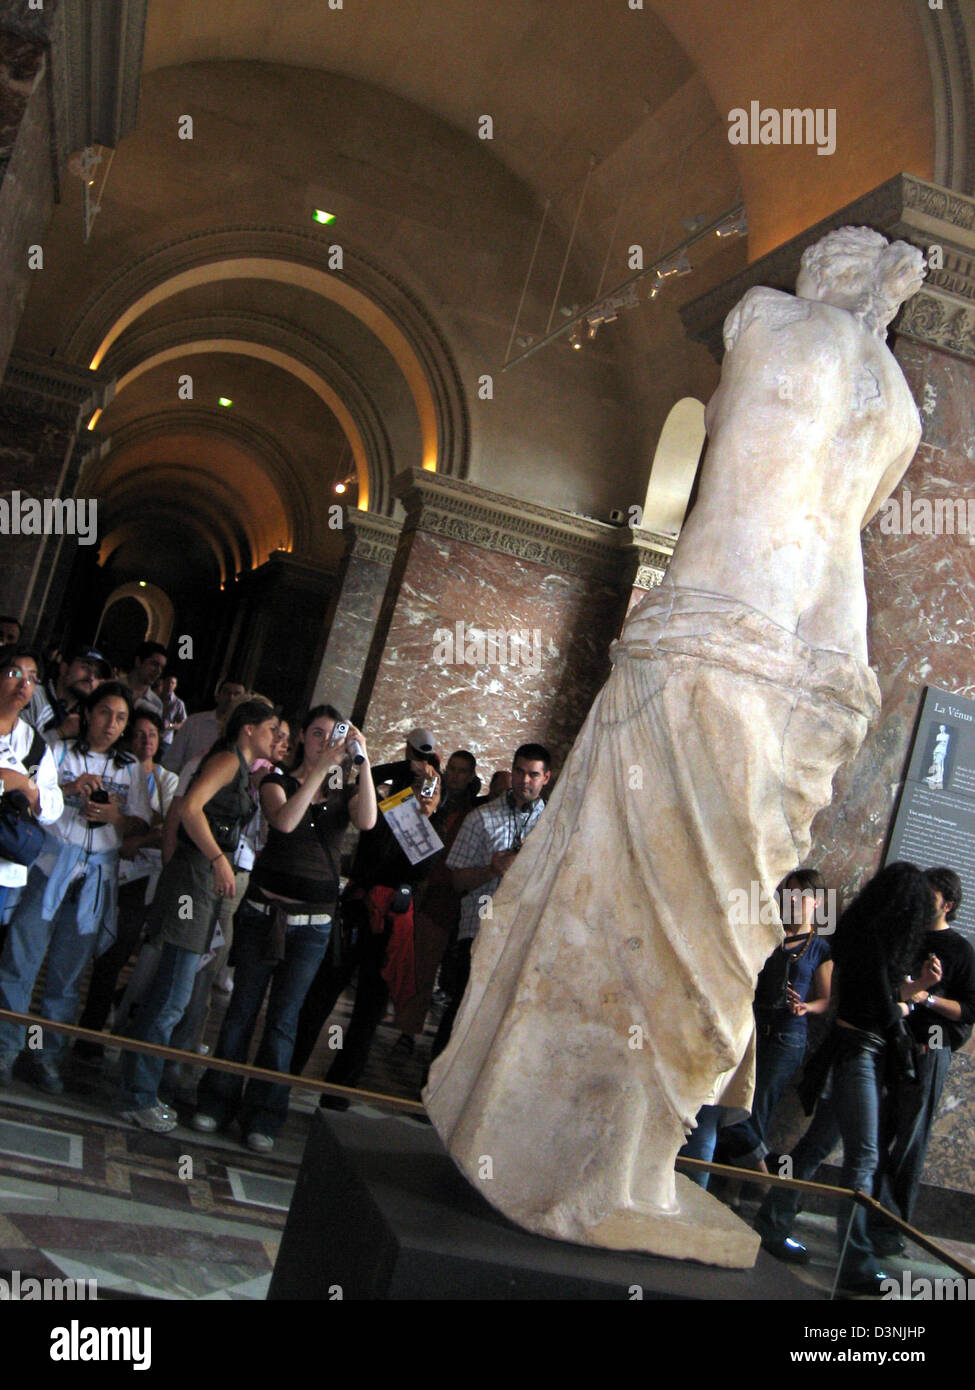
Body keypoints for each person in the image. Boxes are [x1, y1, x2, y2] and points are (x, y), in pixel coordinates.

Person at [423, 228, 926, 1258]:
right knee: (715, 929)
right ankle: (626, 1161)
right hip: (821, 670)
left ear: (820, 271)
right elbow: (849, 510)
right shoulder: (902, 405)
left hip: (708, 635)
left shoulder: (768, 320)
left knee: (615, 891)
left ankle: (556, 1146)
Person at [193, 707, 376, 1149]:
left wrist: (363, 759)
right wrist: (319, 771)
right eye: (315, 734)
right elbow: (287, 821)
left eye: (332, 735)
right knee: (242, 1010)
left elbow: (368, 820)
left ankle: (264, 1115)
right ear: (301, 740)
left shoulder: (343, 790)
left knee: (284, 1020)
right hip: (264, 915)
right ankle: (217, 1100)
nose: (323, 742)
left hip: (312, 926)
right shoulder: (274, 780)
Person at [116, 700, 278, 1131]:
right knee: (171, 995)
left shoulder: (244, 768)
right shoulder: (227, 759)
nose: (276, 737)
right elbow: (189, 809)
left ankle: (137, 1083)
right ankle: (139, 1095)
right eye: (270, 729)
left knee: (174, 991)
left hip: (201, 879)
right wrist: (218, 859)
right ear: (248, 729)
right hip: (195, 878)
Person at [0, 682, 151, 1093]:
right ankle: (6, 1049)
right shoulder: (56, 749)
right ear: (87, 714)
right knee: (20, 962)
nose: (111, 724)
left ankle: (46, 1056)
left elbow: (141, 826)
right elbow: (28, 800)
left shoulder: (131, 769)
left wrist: (116, 816)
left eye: (121, 718)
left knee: (67, 978)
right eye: (104, 713)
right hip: (49, 869)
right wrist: (67, 791)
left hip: (93, 883)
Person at [870, 866, 975, 1246]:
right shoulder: (904, 934)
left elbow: (968, 1010)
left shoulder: (960, 950)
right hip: (888, 1041)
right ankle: (871, 1215)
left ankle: (891, 1229)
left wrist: (927, 998)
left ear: (947, 903)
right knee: (873, 1134)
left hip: (928, 1050)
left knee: (911, 1140)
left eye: (928, 896)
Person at [431, 743, 550, 1062]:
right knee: (462, 1011)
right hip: (479, 929)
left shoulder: (555, 828)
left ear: (546, 778)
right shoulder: (480, 818)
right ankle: (431, 1094)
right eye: (520, 772)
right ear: (512, 773)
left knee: (504, 1023)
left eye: (533, 774)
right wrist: (491, 869)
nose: (525, 780)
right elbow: (457, 882)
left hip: (526, 935)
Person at [74, 711, 179, 1055]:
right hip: (106, 867)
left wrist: (141, 838)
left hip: (139, 878)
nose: (146, 741)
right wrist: (139, 835)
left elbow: (163, 830)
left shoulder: (167, 780)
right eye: (139, 734)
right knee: (83, 953)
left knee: (114, 958)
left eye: (152, 734)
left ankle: (91, 1038)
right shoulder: (118, 770)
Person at [719, 869, 832, 1173]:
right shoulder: (770, 935)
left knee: (750, 1113)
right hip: (752, 1028)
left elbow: (827, 999)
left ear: (817, 902)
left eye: (800, 896)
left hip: (786, 1036)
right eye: (788, 893)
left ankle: (758, 1181)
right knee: (733, 1106)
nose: (792, 901)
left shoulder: (819, 948)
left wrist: (806, 1007)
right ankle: (742, 1182)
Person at [0, 645, 64, 932]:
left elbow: (53, 806)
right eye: (15, 673)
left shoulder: (35, 743)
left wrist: (26, 786)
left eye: (32, 677)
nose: (24, 684)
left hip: (5, 862)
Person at [25, 645, 111, 745]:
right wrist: (61, 732)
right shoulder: (33, 695)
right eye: (85, 668)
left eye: (97, 675)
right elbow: (17, 749)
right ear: (64, 668)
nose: (91, 677)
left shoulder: (85, 717)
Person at [163, 676, 248, 773]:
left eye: (237, 694)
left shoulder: (246, 733)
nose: (231, 698)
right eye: (226, 692)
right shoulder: (195, 722)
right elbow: (172, 760)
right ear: (218, 696)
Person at [124, 642, 167, 718]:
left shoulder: (156, 705)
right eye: (154, 664)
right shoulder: (111, 687)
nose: (158, 672)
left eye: (162, 668)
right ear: (138, 661)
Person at [158, 674, 187, 753]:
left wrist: (170, 725)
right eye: (168, 682)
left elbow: (183, 723)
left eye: (172, 683)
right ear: (163, 683)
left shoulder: (178, 704)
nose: (170, 685)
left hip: (165, 740)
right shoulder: (155, 697)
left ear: (175, 686)